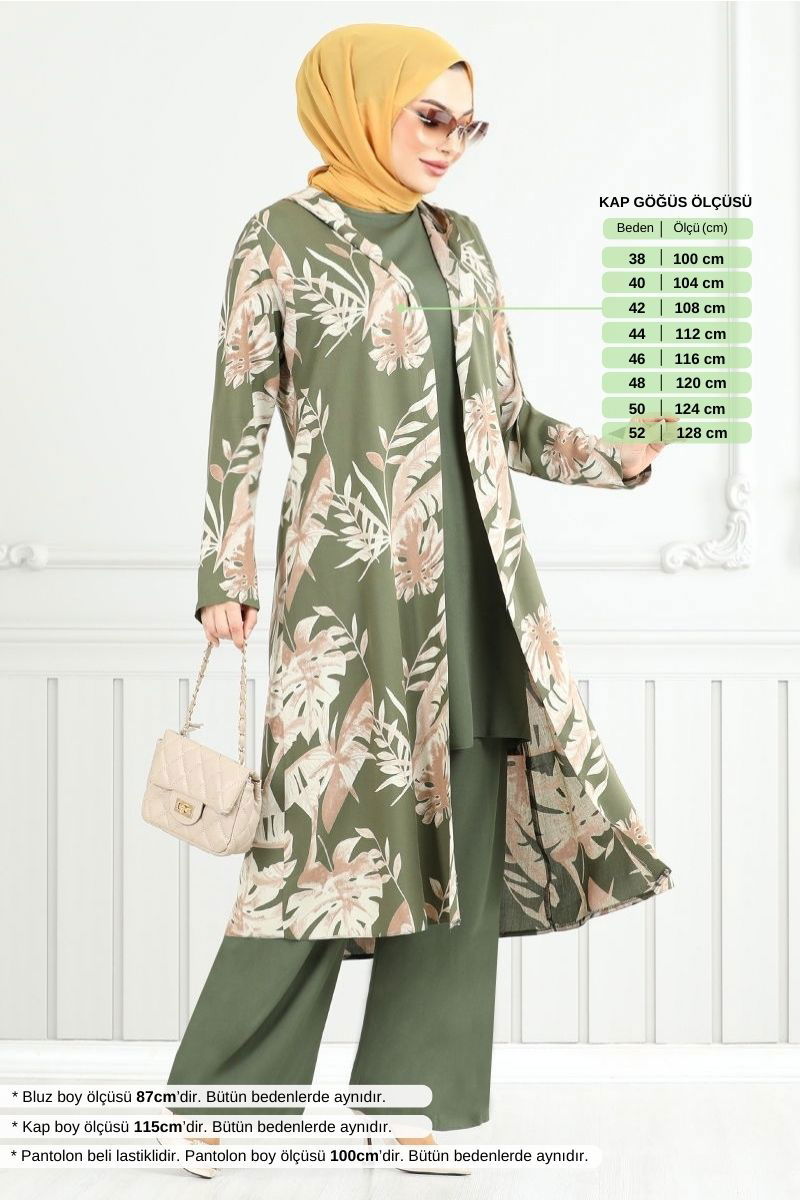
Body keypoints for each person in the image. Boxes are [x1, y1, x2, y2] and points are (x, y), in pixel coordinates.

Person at [160, 21, 673, 1179]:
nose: (449, 143)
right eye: (429, 116)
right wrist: (223, 577)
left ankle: (413, 1107)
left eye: (466, 125)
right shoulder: (279, 239)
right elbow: (237, 416)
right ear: (359, 102)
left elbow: (505, 417)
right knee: (315, 852)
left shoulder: (462, 244)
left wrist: (616, 459)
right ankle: (222, 1107)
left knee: (463, 848)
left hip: (479, 585)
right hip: (345, 594)